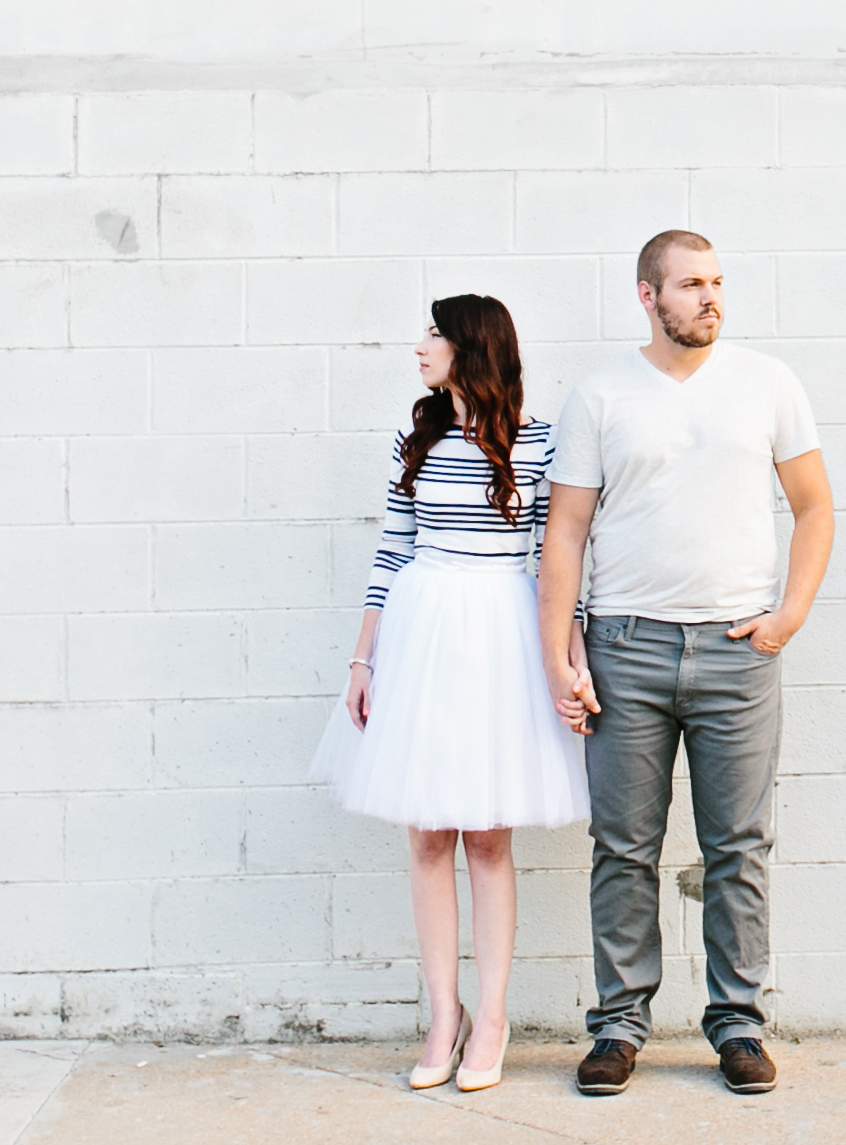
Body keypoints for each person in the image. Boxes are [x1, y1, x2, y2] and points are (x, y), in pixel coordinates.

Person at [536, 230, 835, 1098]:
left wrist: (787, 616)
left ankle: (738, 1026)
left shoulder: (767, 383)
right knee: (622, 848)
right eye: (690, 285)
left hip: (738, 653)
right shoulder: (599, 395)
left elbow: (814, 508)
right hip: (625, 647)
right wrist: (561, 654)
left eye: (716, 283)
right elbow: (566, 531)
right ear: (647, 296)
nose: (710, 299)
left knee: (736, 846)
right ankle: (620, 1027)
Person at [312, 294, 589, 1095]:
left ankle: (493, 1018)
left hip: (500, 634)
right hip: (422, 632)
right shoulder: (418, 437)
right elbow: (391, 549)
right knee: (428, 835)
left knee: (488, 838)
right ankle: (444, 1015)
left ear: (472, 347)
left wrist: (569, 659)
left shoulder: (537, 443)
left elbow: (556, 560)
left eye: (433, 334)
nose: (420, 347)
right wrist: (363, 663)